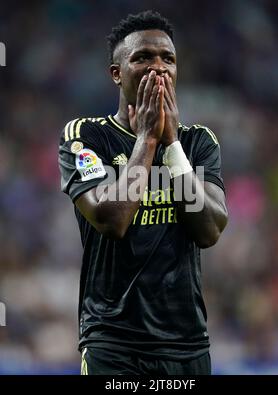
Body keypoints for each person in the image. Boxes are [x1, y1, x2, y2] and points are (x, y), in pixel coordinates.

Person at [58, 10, 228, 375]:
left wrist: (171, 146)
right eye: (143, 57)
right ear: (116, 74)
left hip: (188, 345)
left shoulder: (197, 142)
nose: (158, 67)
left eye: (168, 58)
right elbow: (112, 219)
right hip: (113, 343)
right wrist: (149, 138)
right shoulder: (86, 137)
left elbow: (210, 229)